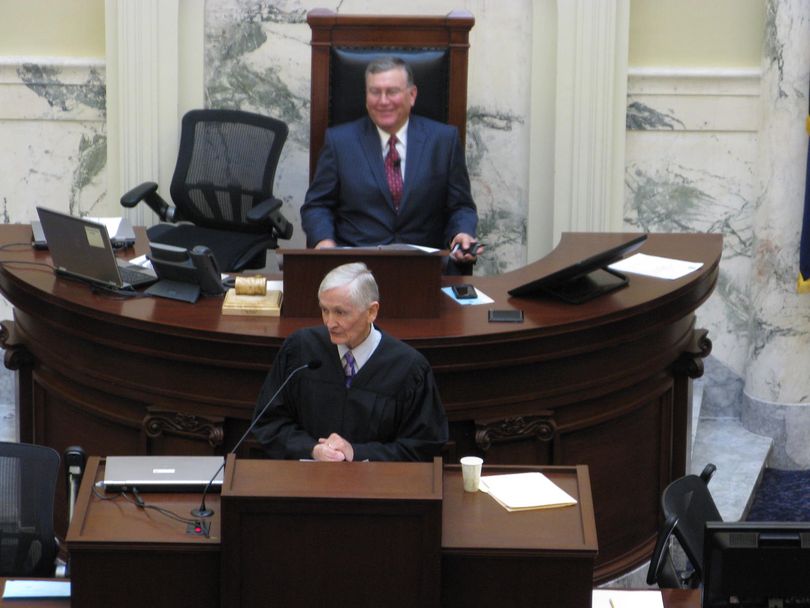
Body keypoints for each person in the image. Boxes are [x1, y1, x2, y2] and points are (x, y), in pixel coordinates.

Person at [251, 262, 448, 462]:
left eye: (340, 312)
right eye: (324, 310)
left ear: (372, 312)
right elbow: (269, 422)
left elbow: (423, 445)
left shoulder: (407, 367)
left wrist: (356, 453)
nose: (330, 323)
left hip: (378, 487)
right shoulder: (301, 350)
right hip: (306, 481)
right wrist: (311, 449)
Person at [301, 56, 481, 273]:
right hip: (356, 272)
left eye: (392, 92)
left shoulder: (443, 141)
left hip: (426, 269)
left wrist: (461, 233)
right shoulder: (339, 142)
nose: (383, 101)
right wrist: (324, 242)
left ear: (412, 95)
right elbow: (317, 205)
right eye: (375, 92)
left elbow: (460, 206)